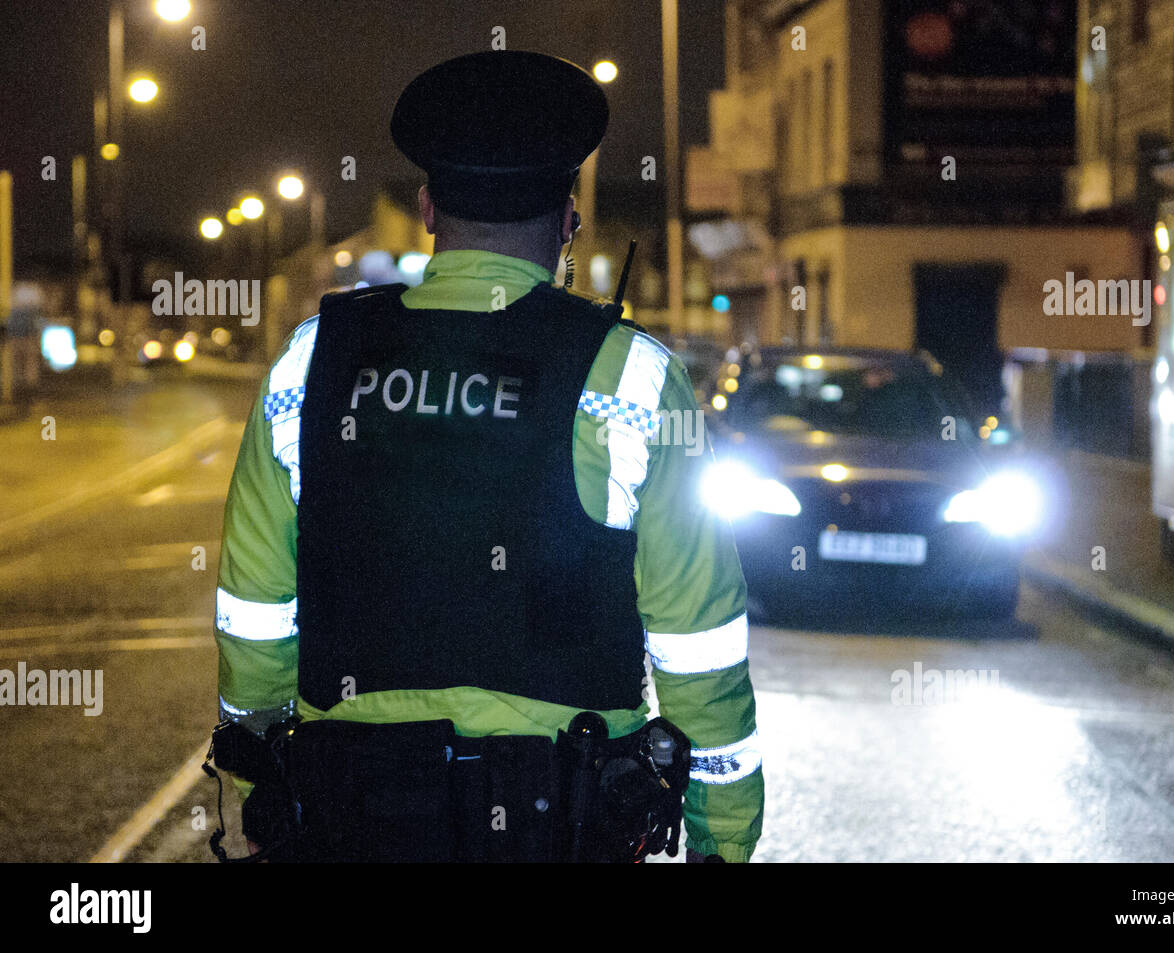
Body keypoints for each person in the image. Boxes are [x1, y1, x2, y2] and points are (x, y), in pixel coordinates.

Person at [211, 50, 762, 862]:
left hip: (349, 822)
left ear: (429, 208)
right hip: (561, 828)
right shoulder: (636, 379)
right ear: (568, 218)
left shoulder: (311, 363)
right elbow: (698, 638)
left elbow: (254, 610)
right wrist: (724, 840)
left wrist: (266, 793)